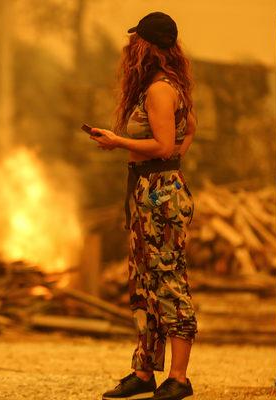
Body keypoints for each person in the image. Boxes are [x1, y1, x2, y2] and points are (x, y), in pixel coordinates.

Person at [88, 12, 197, 400]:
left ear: (147, 46)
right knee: (143, 283)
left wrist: (119, 143)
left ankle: (179, 378)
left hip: (159, 194)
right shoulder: (164, 87)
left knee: (167, 279)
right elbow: (188, 134)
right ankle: (144, 370)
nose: (129, 48)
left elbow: (166, 146)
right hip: (149, 189)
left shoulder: (160, 91)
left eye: (136, 41)